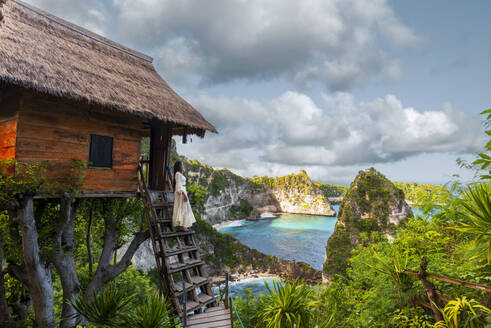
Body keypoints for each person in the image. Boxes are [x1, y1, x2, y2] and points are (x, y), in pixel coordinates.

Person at [172, 161, 196, 232]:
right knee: (182, 208)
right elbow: (178, 186)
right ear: (179, 166)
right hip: (181, 193)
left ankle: (182, 225)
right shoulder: (177, 174)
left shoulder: (179, 174)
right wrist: (184, 194)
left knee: (184, 208)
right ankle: (181, 226)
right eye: (182, 165)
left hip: (183, 191)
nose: (183, 166)